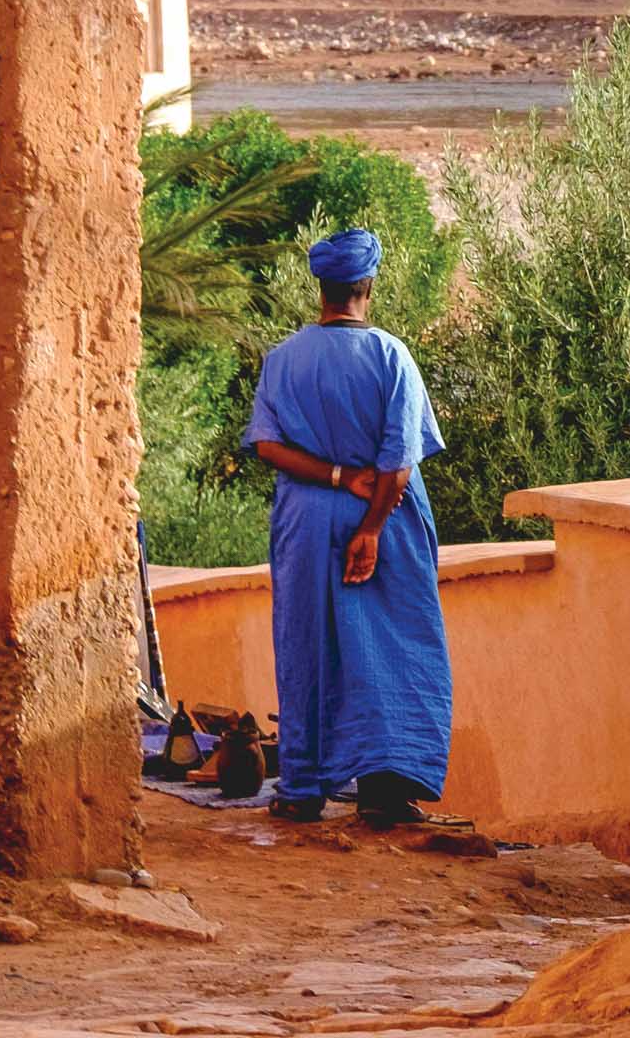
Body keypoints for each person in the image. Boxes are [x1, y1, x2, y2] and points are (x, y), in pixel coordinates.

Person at [243, 227, 453, 825]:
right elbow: (398, 463)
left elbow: (266, 446)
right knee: (395, 645)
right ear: (368, 284)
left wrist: (334, 476)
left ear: (323, 287)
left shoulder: (283, 359)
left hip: (305, 522)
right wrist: (371, 530)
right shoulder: (391, 356)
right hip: (383, 518)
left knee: (306, 641)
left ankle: (303, 787)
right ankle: (386, 789)